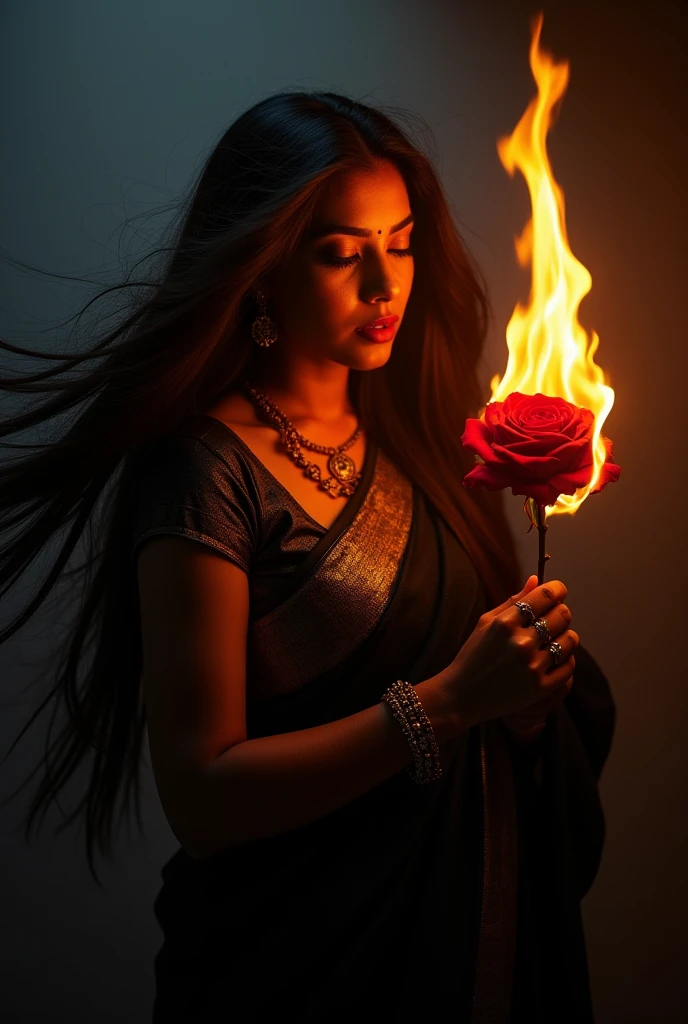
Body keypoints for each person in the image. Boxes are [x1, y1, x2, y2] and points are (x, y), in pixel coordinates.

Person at [0, 92, 615, 1023]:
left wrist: (526, 706)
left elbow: (510, 729)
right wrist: (449, 704)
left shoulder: (420, 437)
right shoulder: (206, 474)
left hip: (454, 952)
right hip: (289, 965)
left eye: (402, 243)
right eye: (342, 253)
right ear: (262, 266)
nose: (385, 284)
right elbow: (203, 796)